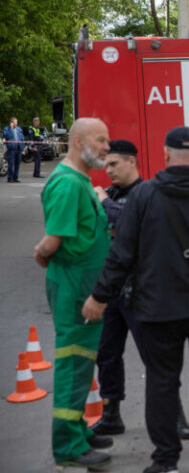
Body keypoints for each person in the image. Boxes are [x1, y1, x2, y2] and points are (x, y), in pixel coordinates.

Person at [83, 126, 189, 473]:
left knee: (162, 382)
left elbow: (122, 255)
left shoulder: (145, 196)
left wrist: (100, 296)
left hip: (158, 308)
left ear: (165, 154)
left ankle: (166, 462)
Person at [89, 140, 189, 441]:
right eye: (105, 165)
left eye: (114, 164)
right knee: (107, 356)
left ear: (132, 162)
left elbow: (127, 225)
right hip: (111, 291)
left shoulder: (149, 194)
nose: (107, 171)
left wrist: (104, 205)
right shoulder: (108, 194)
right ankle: (111, 416)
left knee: (156, 358)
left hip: (141, 291)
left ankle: (175, 417)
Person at [33, 117, 113, 470]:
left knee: (82, 364)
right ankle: (68, 445)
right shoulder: (67, 184)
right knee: (73, 364)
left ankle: (78, 429)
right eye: (101, 140)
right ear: (78, 141)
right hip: (74, 288)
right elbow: (52, 241)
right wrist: (40, 253)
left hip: (84, 286)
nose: (107, 147)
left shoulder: (81, 181)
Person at [3, 117, 24, 182]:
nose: (16, 123)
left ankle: (16, 177)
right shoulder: (7, 129)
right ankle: (10, 178)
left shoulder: (19, 129)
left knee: (17, 164)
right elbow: (7, 136)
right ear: (11, 122)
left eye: (16, 122)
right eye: (14, 122)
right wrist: (11, 129)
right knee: (11, 164)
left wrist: (22, 146)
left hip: (18, 148)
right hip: (11, 149)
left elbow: (22, 138)